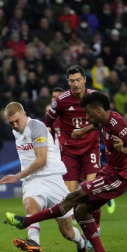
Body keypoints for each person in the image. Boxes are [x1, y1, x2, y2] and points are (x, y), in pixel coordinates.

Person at [5, 92, 127, 252]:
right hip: (108, 172)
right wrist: (84, 129)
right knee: (81, 211)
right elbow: (98, 125)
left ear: (98, 110)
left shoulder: (117, 124)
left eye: (87, 112)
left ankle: (27, 221)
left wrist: (122, 149)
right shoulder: (106, 120)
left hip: (117, 176)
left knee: (73, 198)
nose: (86, 116)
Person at [0, 102, 88, 252]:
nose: (14, 125)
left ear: (24, 114)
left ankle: (81, 244)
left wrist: (17, 176)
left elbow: (41, 161)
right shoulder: (16, 131)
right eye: (10, 123)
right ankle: (33, 241)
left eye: (17, 120)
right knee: (29, 205)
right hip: (32, 180)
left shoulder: (36, 127)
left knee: (66, 232)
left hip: (52, 179)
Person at [44, 65, 110, 236]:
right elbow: (47, 123)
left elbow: (106, 119)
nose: (75, 84)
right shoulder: (60, 101)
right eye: (72, 81)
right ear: (68, 82)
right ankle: (81, 235)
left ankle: (96, 230)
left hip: (91, 150)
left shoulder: (96, 97)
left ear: (84, 80)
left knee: (92, 191)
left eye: (78, 80)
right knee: (71, 197)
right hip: (70, 153)